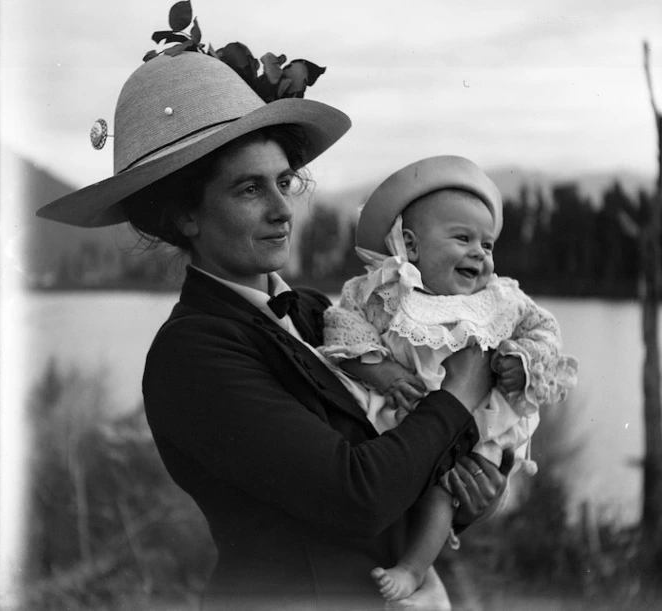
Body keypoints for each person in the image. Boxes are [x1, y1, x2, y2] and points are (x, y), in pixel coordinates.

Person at [36, 19, 513, 610]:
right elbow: (356, 495)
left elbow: (406, 448)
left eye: (283, 181)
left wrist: (474, 487)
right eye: (248, 190)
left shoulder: (319, 313)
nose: (283, 208)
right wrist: (459, 397)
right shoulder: (192, 355)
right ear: (185, 215)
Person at [319, 155, 578, 601]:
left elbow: (545, 331)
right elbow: (344, 331)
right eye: (462, 238)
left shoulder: (500, 300)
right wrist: (382, 371)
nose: (480, 252)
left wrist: (522, 360)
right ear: (411, 246)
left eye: (488, 244)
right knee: (392, 473)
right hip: (398, 420)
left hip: (475, 429)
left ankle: (414, 568)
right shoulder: (381, 290)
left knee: (445, 490)